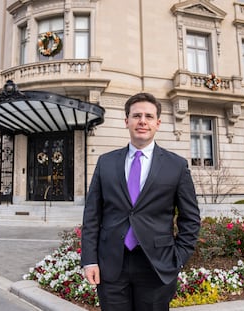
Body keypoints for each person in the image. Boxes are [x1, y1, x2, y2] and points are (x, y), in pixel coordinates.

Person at [81, 92, 201, 311]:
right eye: (136, 115)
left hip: (156, 265)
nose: (142, 121)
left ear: (158, 123)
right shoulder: (106, 163)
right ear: (126, 121)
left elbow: (190, 219)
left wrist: (178, 258)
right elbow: (91, 216)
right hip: (111, 264)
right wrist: (89, 260)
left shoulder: (176, 166)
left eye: (148, 116)